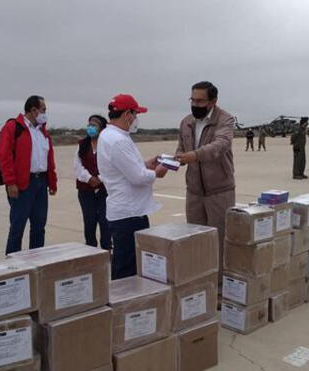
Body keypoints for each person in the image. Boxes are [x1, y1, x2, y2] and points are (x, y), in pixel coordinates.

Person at [97, 94, 168, 279]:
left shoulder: (110, 135)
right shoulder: (118, 140)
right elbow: (137, 177)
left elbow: (125, 169)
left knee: (126, 262)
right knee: (127, 269)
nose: (136, 119)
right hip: (129, 214)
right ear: (127, 114)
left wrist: (146, 164)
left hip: (126, 211)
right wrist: (157, 172)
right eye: (135, 114)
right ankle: (124, 304)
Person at [175, 81, 235, 282]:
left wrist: (194, 155)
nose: (195, 104)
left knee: (218, 242)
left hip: (219, 190)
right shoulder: (186, 122)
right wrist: (177, 158)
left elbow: (221, 145)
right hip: (194, 191)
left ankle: (218, 287)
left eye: (200, 101)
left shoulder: (225, 120)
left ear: (213, 101)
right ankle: (199, 283)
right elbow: (181, 147)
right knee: (196, 240)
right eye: (192, 100)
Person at [0, 95, 58, 255]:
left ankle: (36, 263)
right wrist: (10, 182)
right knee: (17, 228)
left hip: (40, 183)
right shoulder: (13, 127)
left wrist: (52, 183)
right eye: (43, 110)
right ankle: (14, 267)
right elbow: (4, 155)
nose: (45, 113)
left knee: (39, 226)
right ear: (33, 110)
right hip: (22, 185)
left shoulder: (43, 132)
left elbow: (48, 158)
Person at [73, 114, 112, 250]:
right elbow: (77, 166)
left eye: (94, 125)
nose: (90, 127)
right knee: (89, 222)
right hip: (85, 190)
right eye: (89, 124)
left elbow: (111, 165)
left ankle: (107, 251)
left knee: (105, 222)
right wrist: (89, 178)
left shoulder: (107, 144)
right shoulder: (82, 144)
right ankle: (90, 251)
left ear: (102, 128)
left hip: (104, 190)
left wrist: (100, 178)